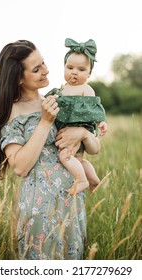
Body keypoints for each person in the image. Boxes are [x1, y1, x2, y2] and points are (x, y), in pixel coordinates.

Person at [0, 40, 100, 260]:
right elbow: (20, 167)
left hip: (71, 201)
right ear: (18, 77)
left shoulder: (57, 98)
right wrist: (46, 122)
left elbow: (95, 147)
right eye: (36, 69)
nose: (46, 70)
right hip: (41, 208)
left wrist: (84, 134)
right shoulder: (12, 113)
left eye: (44, 63)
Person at [45, 38, 107, 193]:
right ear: (64, 67)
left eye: (81, 69)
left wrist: (101, 121)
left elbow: (94, 107)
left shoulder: (86, 89)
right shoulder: (61, 88)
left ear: (89, 73)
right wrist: (52, 99)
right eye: (70, 67)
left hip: (77, 128)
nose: (74, 72)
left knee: (65, 156)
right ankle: (93, 179)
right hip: (66, 130)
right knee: (78, 159)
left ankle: (83, 181)